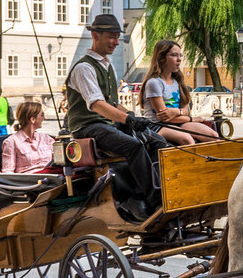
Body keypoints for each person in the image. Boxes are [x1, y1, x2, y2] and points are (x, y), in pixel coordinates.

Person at [64, 13, 169, 223]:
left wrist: (131, 116)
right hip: (87, 127)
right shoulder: (84, 68)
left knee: (158, 141)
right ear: (95, 35)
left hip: (105, 123)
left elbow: (111, 103)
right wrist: (126, 120)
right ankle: (156, 200)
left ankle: (144, 195)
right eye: (111, 36)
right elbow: (97, 105)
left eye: (117, 36)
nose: (115, 42)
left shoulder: (107, 66)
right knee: (133, 146)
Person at [141, 38, 220, 146]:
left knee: (213, 136)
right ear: (161, 58)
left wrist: (176, 112)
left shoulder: (177, 81)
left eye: (180, 55)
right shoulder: (154, 83)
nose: (179, 59)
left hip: (178, 121)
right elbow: (164, 117)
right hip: (157, 125)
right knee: (187, 139)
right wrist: (192, 119)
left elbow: (185, 109)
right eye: (174, 55)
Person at [0, 100, 57, 173]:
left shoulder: (46, 139)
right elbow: (7, 171)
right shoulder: (12, 142)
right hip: (29, 181)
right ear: (32, 119)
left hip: (50, 178)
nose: (44, 118)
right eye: (42, 115)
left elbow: (58, 161)